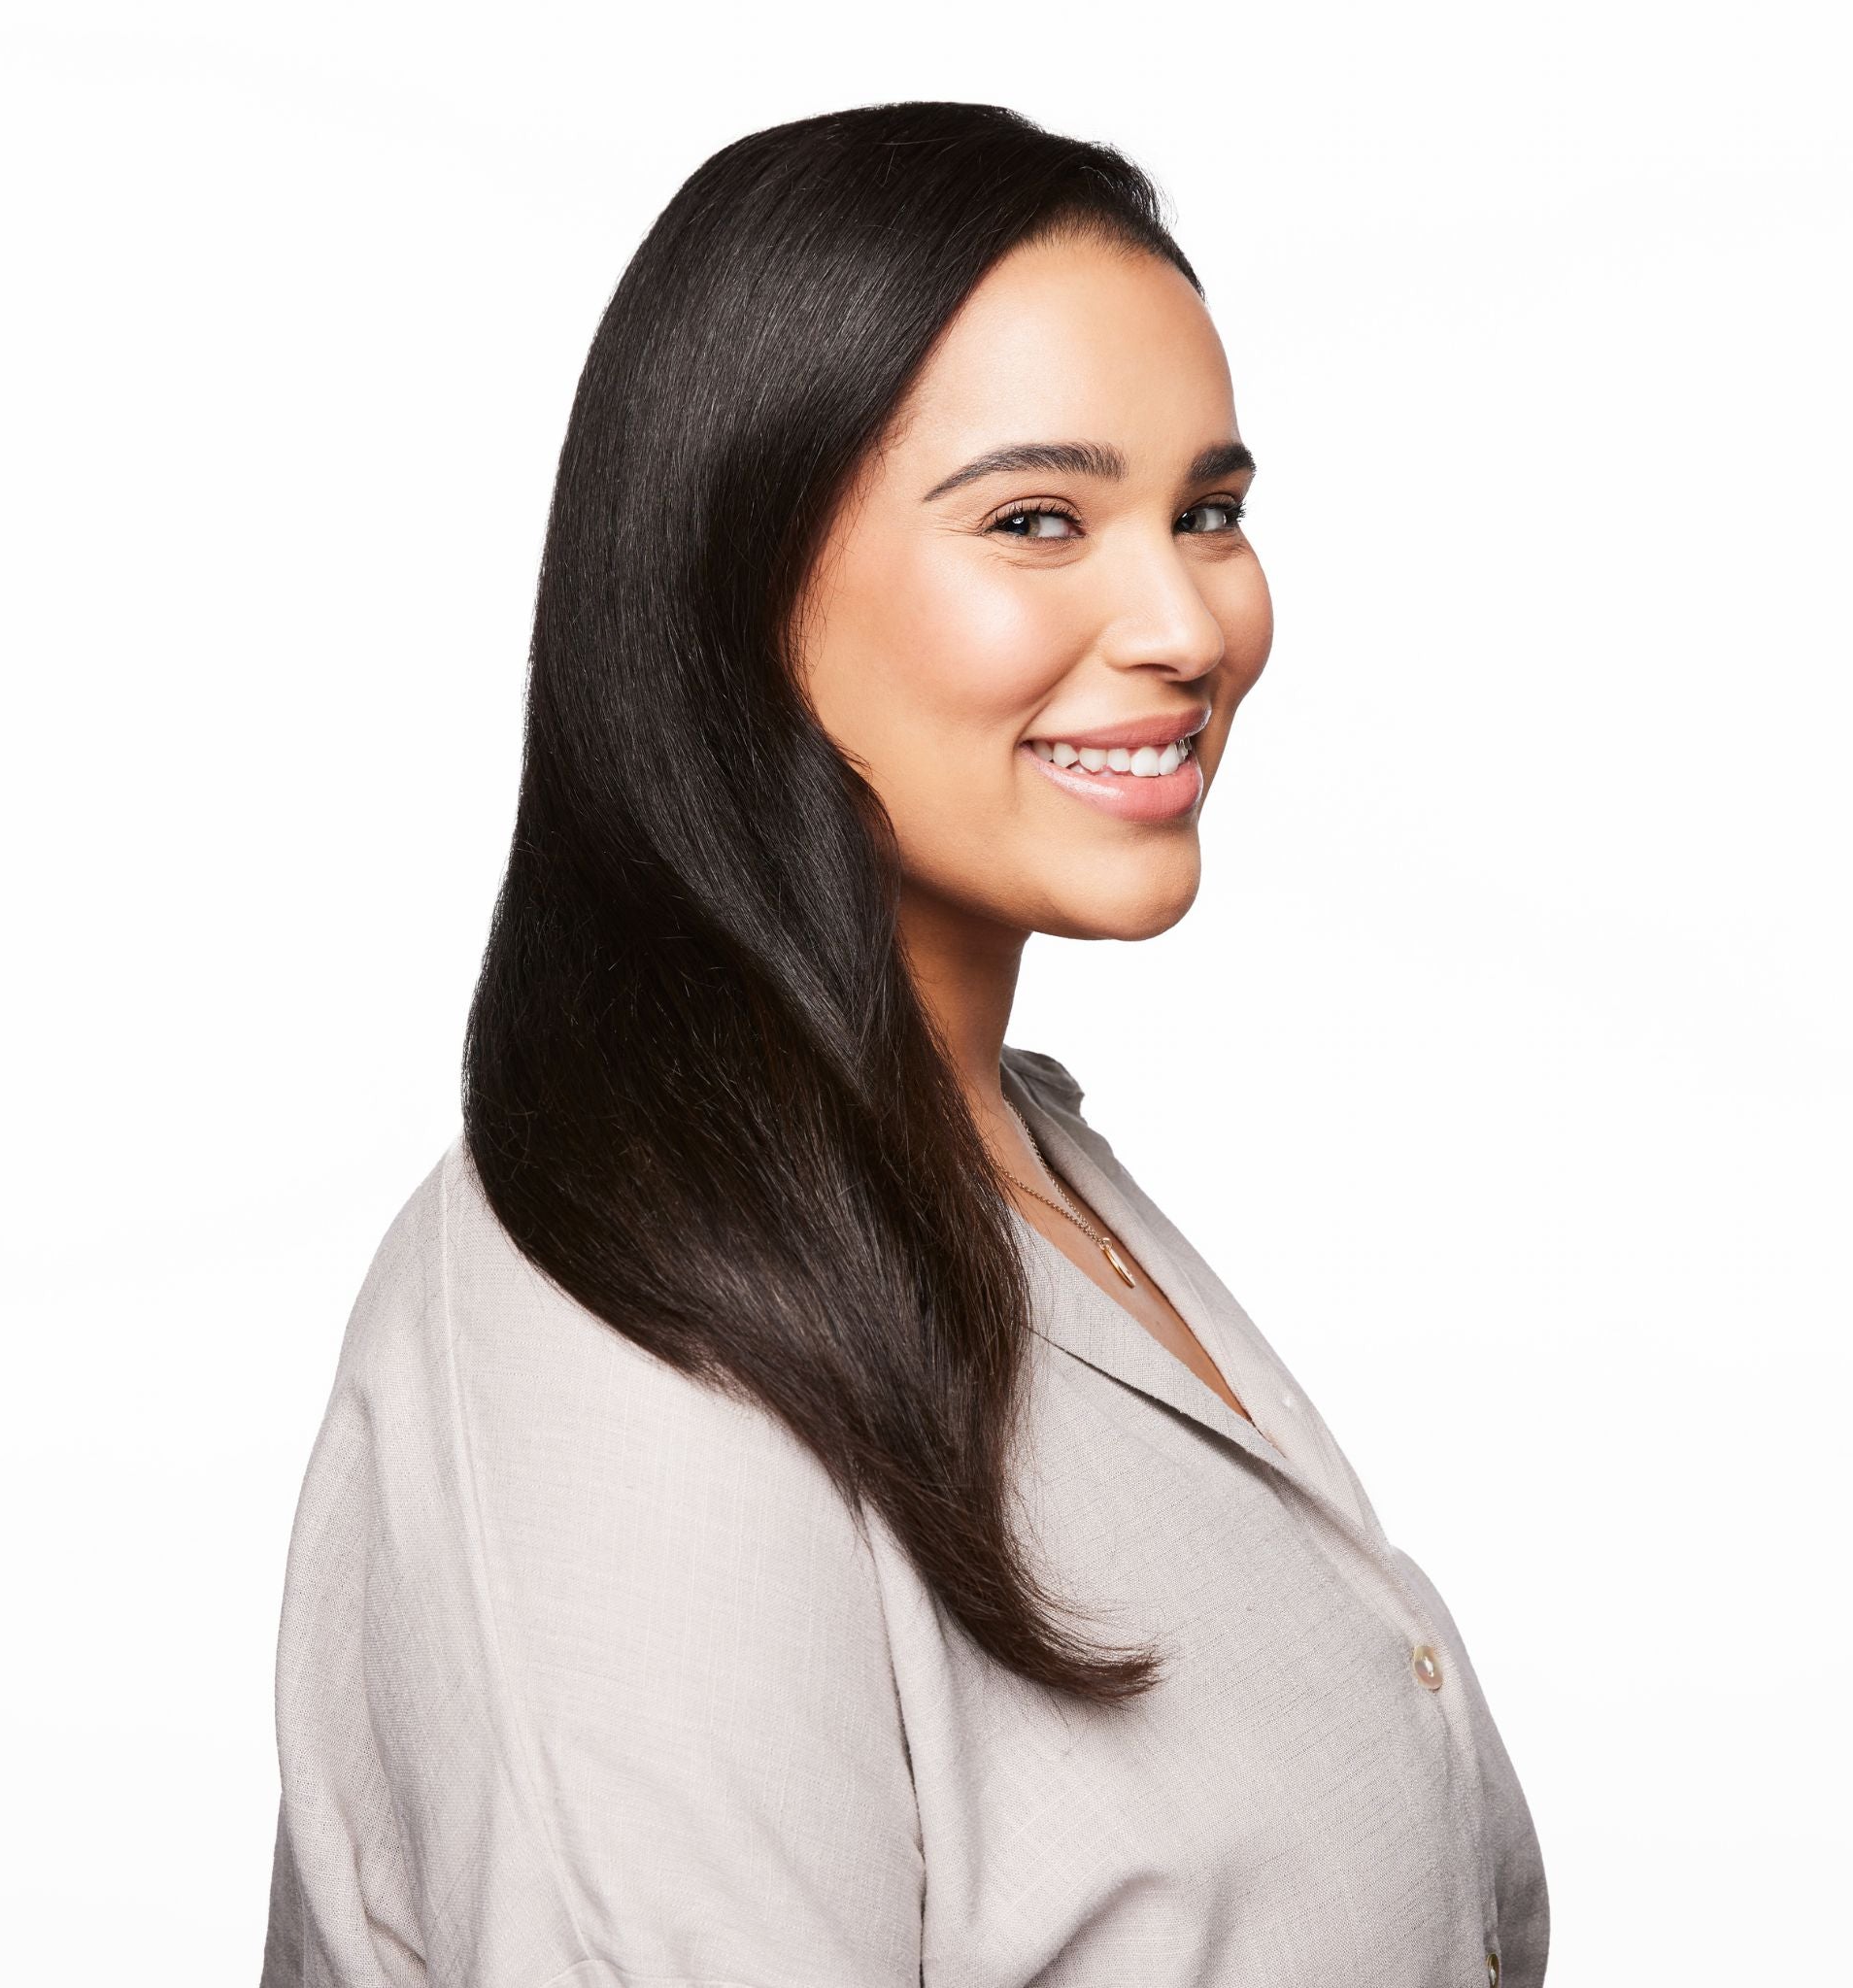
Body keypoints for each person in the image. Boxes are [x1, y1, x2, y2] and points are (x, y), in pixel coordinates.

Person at [258, 100, 1550, 1988]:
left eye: (1208, 512)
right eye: (1037, 520)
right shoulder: (630, 1334)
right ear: (738, 573)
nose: (1186, 622)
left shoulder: (1021, 1158)